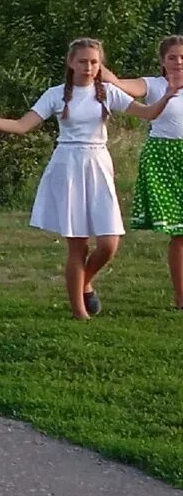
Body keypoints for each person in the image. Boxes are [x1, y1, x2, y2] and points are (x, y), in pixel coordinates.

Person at [0, 37, 176, 319]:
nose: (89, 67)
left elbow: (146, 113)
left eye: (94, 62)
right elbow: (23, 125)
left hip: (98, 163)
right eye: (83, 61)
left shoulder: (108, 92)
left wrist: (168, 96)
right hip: (68, 165)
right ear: (71, 63)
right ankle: (79, 311)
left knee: (109, 243)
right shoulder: (56, 94)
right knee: (78, 243)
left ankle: (84, 282)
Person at [98, 36, 183, 310]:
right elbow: (119, 84)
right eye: (172, 57)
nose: (178, 62)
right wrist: (95, 61)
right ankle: (182, 296)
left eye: (182, 57)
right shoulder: (155, 85)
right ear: (162, 61)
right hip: (164, 158)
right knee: (180, 231)